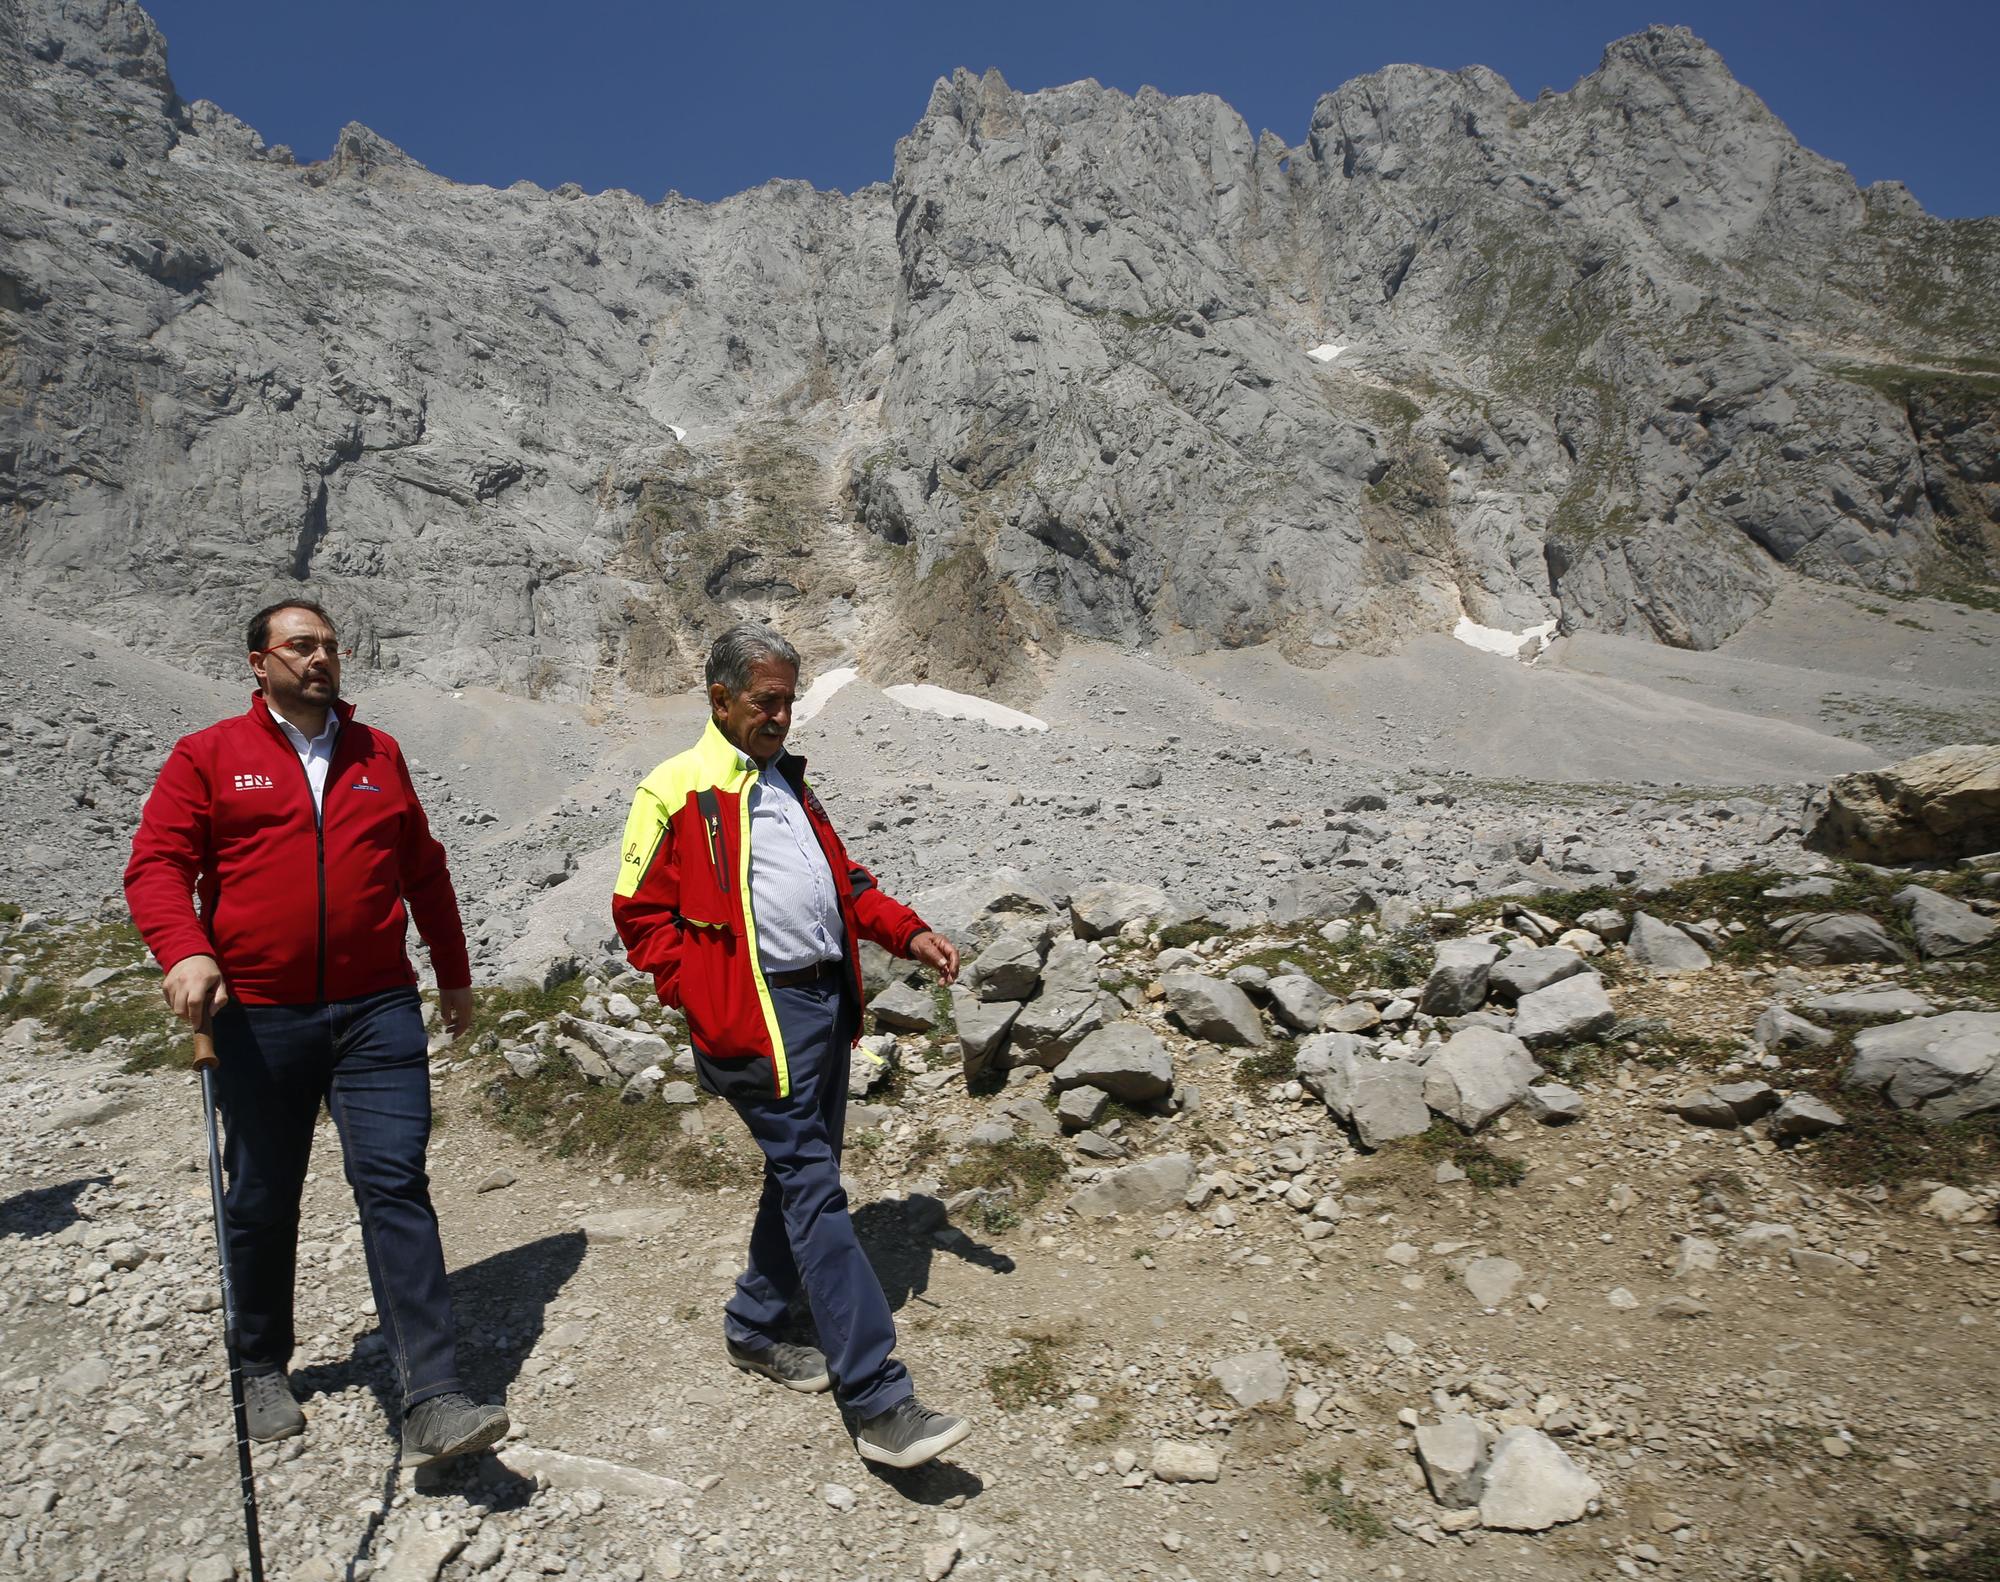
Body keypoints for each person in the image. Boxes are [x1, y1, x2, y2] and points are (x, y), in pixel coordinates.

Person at [124, 598, 509, 1466]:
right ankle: (260, 1364)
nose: (321, 659)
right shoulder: (209, 755)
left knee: (394, 1184)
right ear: (258, 663)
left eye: (331, 646)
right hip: (257, 1014)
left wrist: (452, 972)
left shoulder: (379, 754)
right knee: (262, 1196)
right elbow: (155, 866)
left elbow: (425, 868)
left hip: (376, 1007)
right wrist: (185, 951)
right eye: (301, 646)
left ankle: (433, 1396)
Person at [612, 622, 971, 1470]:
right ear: (721, 699)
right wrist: (702, 994)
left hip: (820, 1006)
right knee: (815, 1189)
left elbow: (844, 884)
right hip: (751, 1017)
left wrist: (906, 933)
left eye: (788, 701)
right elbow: (637, 916)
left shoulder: (788, 785)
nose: (780, 716)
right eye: (766, 701)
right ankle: (880, 1401)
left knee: (800, 1175)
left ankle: (755, 1325)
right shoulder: (675, 789)